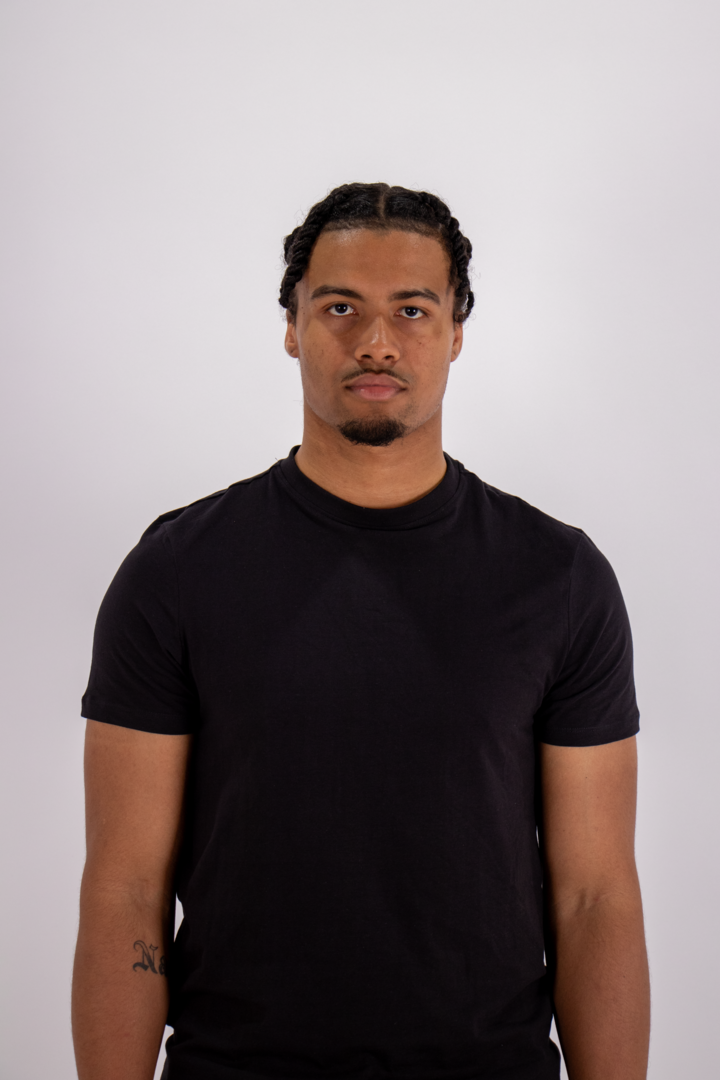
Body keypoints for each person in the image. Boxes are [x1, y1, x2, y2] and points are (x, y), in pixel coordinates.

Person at [72, 182, 651, 1080]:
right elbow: (125, 891)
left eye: (412, 310)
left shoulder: (559, 578)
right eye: (339, 307)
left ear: (456, 332)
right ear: (292, 327)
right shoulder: (177, 572)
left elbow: (595, 897)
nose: (376, 341)